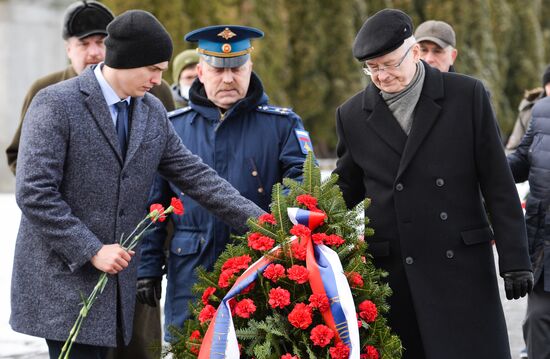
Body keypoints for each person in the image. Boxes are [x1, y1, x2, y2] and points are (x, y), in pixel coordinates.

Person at [10, 10, 264, 359]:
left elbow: (197, 176)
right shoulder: (55, 103)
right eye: (154, 69)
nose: (160, 79)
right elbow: (34, 192)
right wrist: (91, 249)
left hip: (118, 290)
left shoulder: (151, 111)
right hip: (65, 286)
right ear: (127, 61)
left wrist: (264, 224)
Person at [333, 8, 533, 359]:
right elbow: (344, 190)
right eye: (372, 67)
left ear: (413, 52)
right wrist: (302, 220)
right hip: (395, 275)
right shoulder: (351, 116)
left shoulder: (467, 96)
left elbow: (497, 183)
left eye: (390, 64)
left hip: (462, 270)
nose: (381, 76)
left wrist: (516, 258)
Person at [137, 25, 313, 342]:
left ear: (250, 68)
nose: (228, 78)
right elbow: (153, 206)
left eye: (237, 68)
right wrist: (147, 267)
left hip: (261, 272)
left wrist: (273, 229)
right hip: (190, 275)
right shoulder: (173, 128)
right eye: (218, 69)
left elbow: (303, 185)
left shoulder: (282, 125)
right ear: (201, 71)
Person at [5, 0, 175, 176]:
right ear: (68, 49)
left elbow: (171, 154)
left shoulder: (155, 90)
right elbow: (20, 156)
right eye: (84, 44)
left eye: (101, 42)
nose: (94, 52)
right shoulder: (45, 90)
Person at [508, 79, 550, 359]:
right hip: (544, 248)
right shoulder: (541, 112)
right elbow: (521, 160)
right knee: (537, 322)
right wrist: (484, 165)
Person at [506, 66, 550, 152]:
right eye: (549, 85)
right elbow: (516, 142)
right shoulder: (529, 107)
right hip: (531, 161)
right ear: (545, 86)